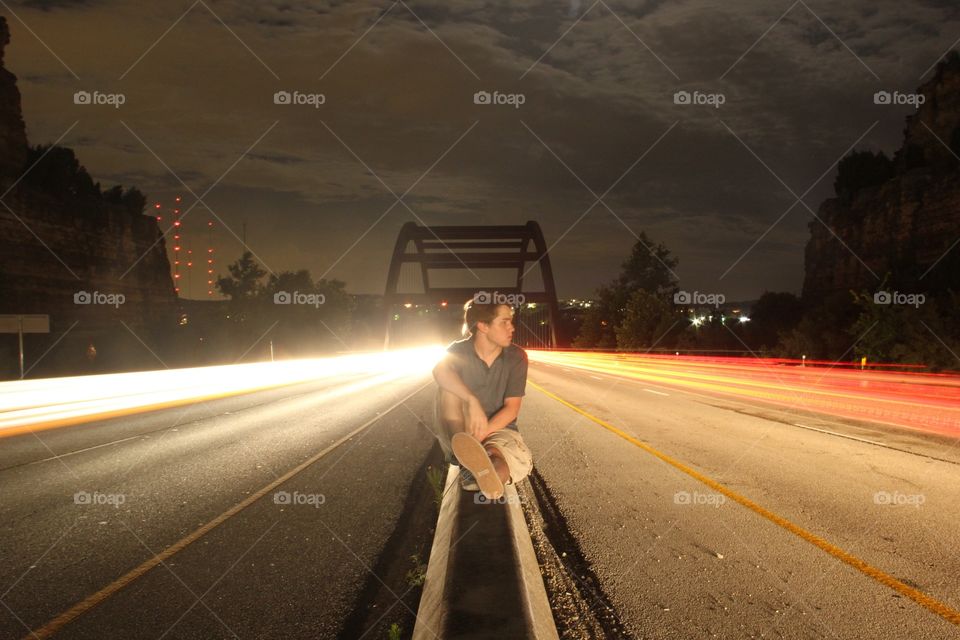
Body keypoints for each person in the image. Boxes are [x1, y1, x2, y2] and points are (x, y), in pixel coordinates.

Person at [431, 298, 533, 500]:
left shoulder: (516, 356)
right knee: (450, 386)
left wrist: (482, 435)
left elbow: (511, 409)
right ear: (483, 326)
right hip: (461, 428)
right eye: (504, 322)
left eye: (511, 321)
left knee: (496, 452)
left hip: (499, 428)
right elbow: (439, 371)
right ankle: (467, 452)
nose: (511, 327)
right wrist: (471, 400)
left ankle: (488, 478)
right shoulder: (457, 351)